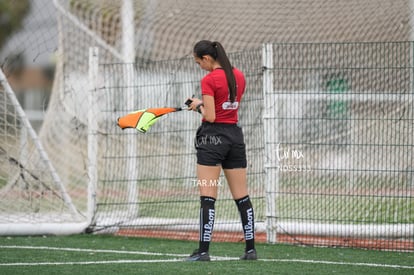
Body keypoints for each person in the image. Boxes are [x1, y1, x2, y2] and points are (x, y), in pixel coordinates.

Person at [185, 40, 257, 261]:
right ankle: (251, 250)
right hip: (235, 137)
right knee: (242, 196)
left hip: (212, 138)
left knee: (208, 196)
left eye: (199, 62)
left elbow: (211, 115)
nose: (200, 66)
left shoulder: (209, 80)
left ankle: (204, 252)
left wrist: (197, 105)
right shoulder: (240, 75)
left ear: (207, 58)